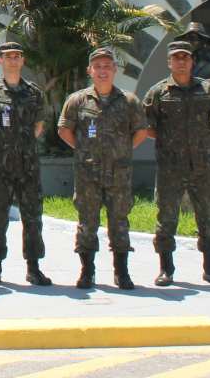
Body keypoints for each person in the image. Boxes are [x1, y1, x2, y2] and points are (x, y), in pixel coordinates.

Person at [58, 47, 151, 290]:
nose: (102, 71)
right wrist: (82, 150)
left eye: (107, 66)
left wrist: (123, 150)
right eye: (97, 66)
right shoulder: (78, 100)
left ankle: (122, 273)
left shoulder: (129, 101)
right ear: (90, 70)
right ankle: (87, 272)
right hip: (88, 174)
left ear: (114, 70)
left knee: (119, 222)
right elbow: (64, 130)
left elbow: (141, 130)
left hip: (118, 175)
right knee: (87, 223)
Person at [145, 39, 210, 287]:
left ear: (192, 61)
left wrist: (203, 138)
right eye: (177, 57)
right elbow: (145, 126)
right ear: (169, 62)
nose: (181, 61)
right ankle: (166, 270)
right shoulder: (158, 92)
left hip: (201, 168)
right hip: (169, 168)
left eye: (186, 57)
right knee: (167, 218)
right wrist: (166, 139)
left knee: (207, 218)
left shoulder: (208, 90)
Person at [0, 41, 51, 287]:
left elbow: (38, 126)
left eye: (17, 56)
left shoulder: (34, 92)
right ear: (0, 61)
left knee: (32, 218)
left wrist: (23, 148)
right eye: (8, 57)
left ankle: (34, 268)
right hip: (0, 169)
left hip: (28, 168)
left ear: (22, 60)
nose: (13, 60)